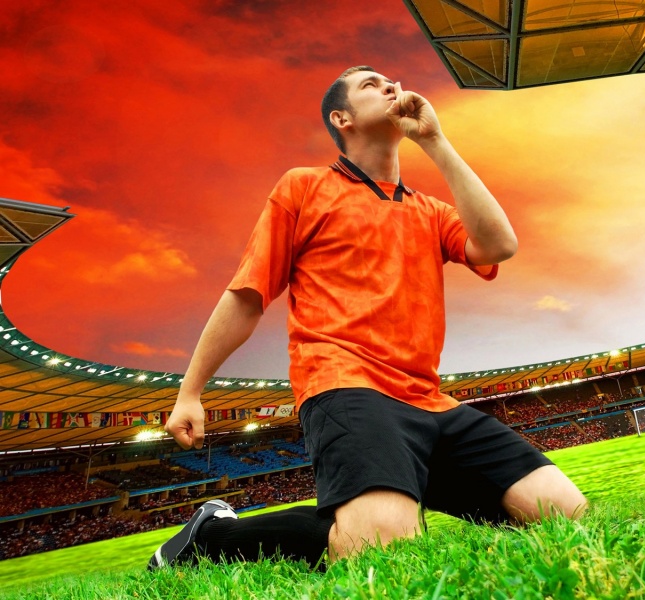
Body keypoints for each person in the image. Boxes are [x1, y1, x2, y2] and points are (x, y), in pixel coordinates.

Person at [150, 66, 586, 568]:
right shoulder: (303, 187)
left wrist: (436, 141)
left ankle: (399, 494)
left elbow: (499, 245)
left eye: (390, 81)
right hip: (346, 385)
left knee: (566, 515)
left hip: (428, 399)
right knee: (384, 549)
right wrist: (190, 391)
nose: (391, 86)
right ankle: (212, 537)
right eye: (370, 84)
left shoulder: (431, 211)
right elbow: (247, 296)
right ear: (343, 118)